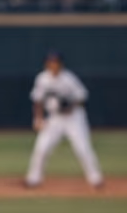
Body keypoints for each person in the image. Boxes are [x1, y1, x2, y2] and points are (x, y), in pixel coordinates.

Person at [24, 50, 105, 190]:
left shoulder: (68, 78)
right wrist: (38, 118)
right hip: (55, 118)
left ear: (60, 64)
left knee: (82, 148)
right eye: (51, 62)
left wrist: (69, 105)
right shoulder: (42, 79)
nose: (53, 65)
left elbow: (82, 96)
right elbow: (38, 100)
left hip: (74, 118)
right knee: (42, 147)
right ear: (47, 64)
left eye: (55, 62)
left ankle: (95, 178)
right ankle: (34, 178)